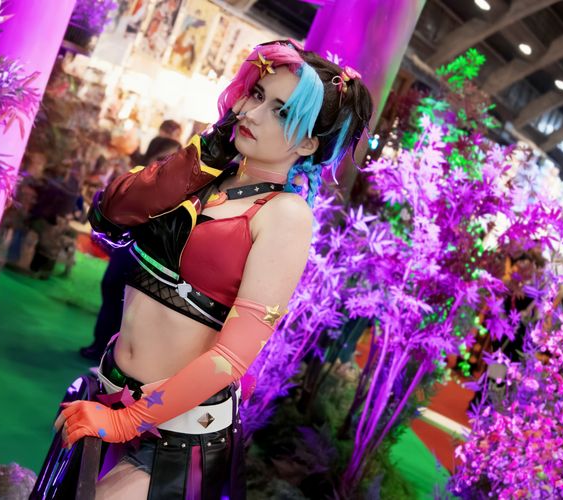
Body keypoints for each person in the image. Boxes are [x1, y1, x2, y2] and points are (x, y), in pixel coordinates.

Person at [35, 40, 372, 499]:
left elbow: (232, 357)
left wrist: (129, 420)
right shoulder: (204, 176)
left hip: (176, 434)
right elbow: (111, 214)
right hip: (108, 394)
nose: (253, 113)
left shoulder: (286, 215)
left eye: (280, 111)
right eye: (256, 94)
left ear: (309, 143)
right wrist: (206, 154)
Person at [80, 136, 183, 360]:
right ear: (152, 156)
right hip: (127, 249)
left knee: (129, 306)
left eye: (174, 157)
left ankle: (112, 354)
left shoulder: (176, 188)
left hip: (146, 255)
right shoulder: (138, 179)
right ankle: (99, 345)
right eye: (164, 156)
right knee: (112, 292)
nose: (168, 161)